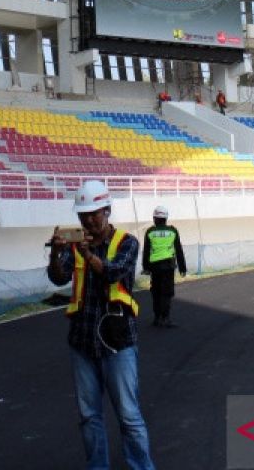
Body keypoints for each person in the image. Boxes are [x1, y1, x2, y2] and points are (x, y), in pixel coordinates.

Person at [48, 181, 155, 470]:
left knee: (129, 417)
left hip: (118, 342)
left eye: (94, 213)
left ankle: (142, 467)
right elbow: (58, 278)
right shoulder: (75, 245)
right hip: (82, 341)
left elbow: (114, 273)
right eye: (83, 215)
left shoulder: (127, 243)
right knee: (89, 417)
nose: (88, 220)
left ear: (107, 210)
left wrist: (87, 254)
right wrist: (55, 253)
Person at [141, 206, 187, 328]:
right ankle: (165, 318)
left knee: (155, 292)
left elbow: (146, 251)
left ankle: (156, 318)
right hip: (168, 266)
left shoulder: (150, 232)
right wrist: (183, 268)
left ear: (154, 218)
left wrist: (145, 267)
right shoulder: (172, 231)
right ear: (166, 218)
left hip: (154, 267)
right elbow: (178, 250)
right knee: (166, 293)